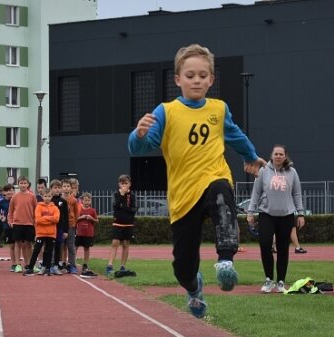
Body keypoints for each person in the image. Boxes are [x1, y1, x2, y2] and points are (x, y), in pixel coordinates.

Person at [128, 43, 264, 317]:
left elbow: (235, 135)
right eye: (190, 75)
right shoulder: (166, 111)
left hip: (213, 176)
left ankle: (225, 260)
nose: (197, 80)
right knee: (183, 267)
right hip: (182, 196)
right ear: (178, 79)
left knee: (221, 192)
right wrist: (138, 136)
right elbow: (141, 148)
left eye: (203, 75)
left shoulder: (218, 109)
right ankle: (194, 288)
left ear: (211, 79)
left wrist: (251, 156)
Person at [246, 145, 306, 294]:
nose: (278, 156)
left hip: (286, 216)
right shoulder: (263, 171)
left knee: (283, 248)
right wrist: (250, 212)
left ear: (285, 157)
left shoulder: (292, 173)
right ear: (271, 156)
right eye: (276, 154)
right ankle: (268, 279)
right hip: (266, 214)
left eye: (281, 154)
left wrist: (301, 213)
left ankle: (280, 282)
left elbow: (297, 194)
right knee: (265, 244)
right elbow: (256, 193)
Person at [105, 175, 138, 278]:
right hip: (118, 222)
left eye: (126, 183)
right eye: (122, 183)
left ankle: (123, 266)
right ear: (119, 184)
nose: (124, 185)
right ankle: (110, 265)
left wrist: (123, 208)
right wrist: (122, 195)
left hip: (128, 223)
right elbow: (115, 206)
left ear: (130, 184)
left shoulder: (132, 196)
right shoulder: (116, 194)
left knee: (126, 244)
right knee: (115, 242)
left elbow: (133, 209)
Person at [24, 190, 60, 276]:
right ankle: (30, 267)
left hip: (51, 233)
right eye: (45, 196)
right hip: (41, 233)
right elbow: (38, 220)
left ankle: (47, 268)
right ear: (42, 197)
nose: (47, 198)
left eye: (49, 196)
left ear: (51, 197)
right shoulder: (39, 207)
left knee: (48, 251)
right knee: (36, 250)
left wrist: (45, 218)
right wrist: (50, 219)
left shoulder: (55, 208)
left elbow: (56, 219)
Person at [7, 176, 37, 273]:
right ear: (18, 184)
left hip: (29, 223)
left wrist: (35, 222)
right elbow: (10, 211)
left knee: (29, 244)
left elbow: (36, 210)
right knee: (17, 243)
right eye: (21, 183)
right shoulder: (15, 197)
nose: (23, 185)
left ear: (28, 184)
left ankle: (28, 264)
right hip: (17, 223)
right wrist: (10, 221)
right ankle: (17, 264)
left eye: (25, 183)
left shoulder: (32, 196)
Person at [76, 192, 99, 278]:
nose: (87, 202)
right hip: (79, 233)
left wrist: (91, 218)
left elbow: (97, 221)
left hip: (89, 233)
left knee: (86, 248)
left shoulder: (93, 210)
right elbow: (75, 220)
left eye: (88, 200)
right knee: (75, 247)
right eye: (85, 200)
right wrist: (81, 218)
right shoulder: (79, 210)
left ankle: (85, 264)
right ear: (82, 201)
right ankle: (71, 262)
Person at [49, 179, 69, 275]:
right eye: (55, 188)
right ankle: (48, 265)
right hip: (49, 228)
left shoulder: (63, 202)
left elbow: (66, 217)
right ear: (51, 189)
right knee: (49, 247)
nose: (57, 190)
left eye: (58, 188)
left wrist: (66, 231)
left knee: (58, 247)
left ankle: (56, 265)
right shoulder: (48, 200)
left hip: (59, 228)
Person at [62, 178, 80, 274]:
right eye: (64, 186)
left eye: (68, 186)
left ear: (71, 188)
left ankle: (72, 265)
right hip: (61, 226)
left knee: (71, 246)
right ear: (61, 188)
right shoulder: (59, 199)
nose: (66, 188)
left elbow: (76, 213)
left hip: (71, 225)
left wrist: (74, 223)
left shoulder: (73, 200)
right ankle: (61, 264)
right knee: (61, 245)